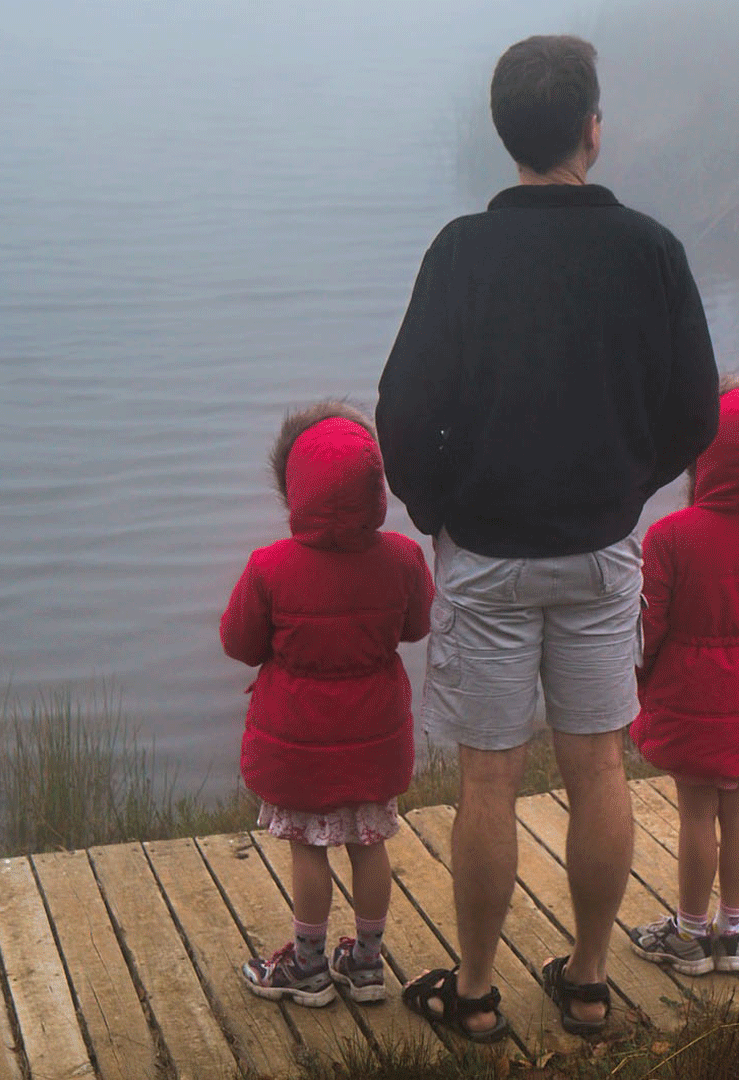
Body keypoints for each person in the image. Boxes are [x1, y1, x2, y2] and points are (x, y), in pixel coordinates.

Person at [377, 35, 719, 1039]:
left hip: (484, 552)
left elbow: (403, 411)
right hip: (601, 550)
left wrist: (440, 507)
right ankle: (587, 981)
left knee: (489, 778)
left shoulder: (461, 252)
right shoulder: (650, 250)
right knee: (599, 769)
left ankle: (477, 995)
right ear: (591, 131)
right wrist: (624, 484)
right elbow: (695, 410)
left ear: (505, 135)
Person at [220, 401, 434, 1008]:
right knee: (370, 843)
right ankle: (366, 965)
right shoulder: (402, 558)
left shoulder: (269, 569)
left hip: (299, 740)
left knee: (309, 846)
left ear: (295, 490)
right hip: (376, 735)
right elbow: (418, 625)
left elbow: (239, 643)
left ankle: (307, 967)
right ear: (376, 486)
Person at [626, 379, 739, 976]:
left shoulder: (672, 536)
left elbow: (649, 629)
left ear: (708, 453)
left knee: (697, 813)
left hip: (692, 691)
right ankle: (732, 933)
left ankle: (688, 935)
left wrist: (639, 677)